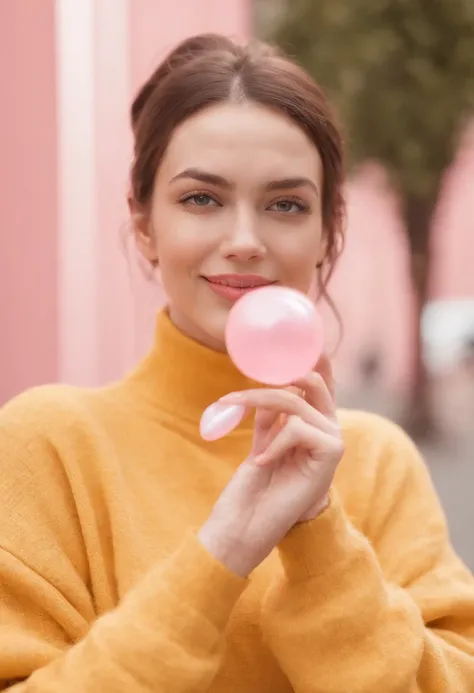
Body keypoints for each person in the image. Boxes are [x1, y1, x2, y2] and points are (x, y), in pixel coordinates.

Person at [0, 33, 473, 693]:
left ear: (327, 233)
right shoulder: (46, 444)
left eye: (286, 205)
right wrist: (220, 553)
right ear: (144, 224)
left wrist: (319, 536)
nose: (245, 241)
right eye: (202, 199)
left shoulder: (378, 462)